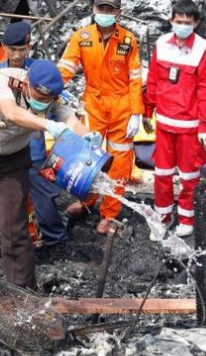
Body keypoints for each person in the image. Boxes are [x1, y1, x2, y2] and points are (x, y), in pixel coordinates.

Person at [0, 60, 94, 290]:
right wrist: (49, 125)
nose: (43, 102)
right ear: (27, 82)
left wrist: (87, 137)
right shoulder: (2, 81)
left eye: (48, 100)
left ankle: (20, 293)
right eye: (39, 96)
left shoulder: (53, 98)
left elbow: (70, 120)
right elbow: (11, 112)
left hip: (13, 161)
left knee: (14, 227)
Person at [57, 0, 143, 234]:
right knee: (88, 156)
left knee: (120, 161)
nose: (104, 13)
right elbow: (66, 68)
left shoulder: (128, 39)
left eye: (109, 9)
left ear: (119, 12)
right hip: (93, 103)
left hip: (121, 105)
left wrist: (136, 112)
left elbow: (135, 77)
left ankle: (110, 214)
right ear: (93, 9)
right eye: (100, 8)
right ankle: (87, 201)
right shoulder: (81, 37)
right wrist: (46, 91)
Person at [0, 21, 69, 248]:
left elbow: (57, 103)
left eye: (22, 50)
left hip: (34, 149)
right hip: (5, 149)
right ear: (4, 47)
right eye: (12, 49)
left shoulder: (39, 72)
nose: (17, 54)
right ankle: (13, 244)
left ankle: (55, 240)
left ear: (29, 48)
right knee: (8, 200)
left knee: (45, 197)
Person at [143, 0, 206, 237]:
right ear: (171, 20)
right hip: (164, 122)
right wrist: (147, 110)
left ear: (196, 23)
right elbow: (153, 79)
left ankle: (187, 216)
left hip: (189, 125)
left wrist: (205, 124)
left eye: (187, 22)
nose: (183, 26)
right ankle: (162, 217)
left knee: (189, 175)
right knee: (162, 173)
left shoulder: (205, 50)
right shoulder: (162, 44)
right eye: (178, 22)